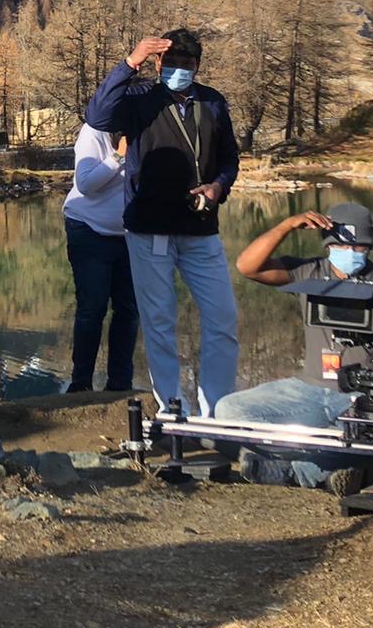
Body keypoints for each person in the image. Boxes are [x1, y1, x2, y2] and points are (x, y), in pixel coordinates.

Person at [85, 29, 240, 416]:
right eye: (171, 62)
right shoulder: (139, 98)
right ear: (157, 64)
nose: (178, 70)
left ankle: (217, 410)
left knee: (223, 317)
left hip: (201, 229)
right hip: (149, 228)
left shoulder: (212, 102)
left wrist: (219, 187)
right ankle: (173, 407)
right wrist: (129, 63)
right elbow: (97, 115)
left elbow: (229, 159)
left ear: (197, 66)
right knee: (159, 321)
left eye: (187, 64)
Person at [221, 202, 373, 494]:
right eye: (342, 246)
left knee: (372, 434)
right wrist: (287, 225)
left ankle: (297, 470)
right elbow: (247, 266)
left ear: (369, 247)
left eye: (359, 247)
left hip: (357, 398)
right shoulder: (309, 272)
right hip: (307, 391)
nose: (350, 253)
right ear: (328, 246)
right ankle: (322, 464)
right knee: (229, 409)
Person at [62, 121, 138, 392]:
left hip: (130, 235)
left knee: (129, 310)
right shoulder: (93, 131)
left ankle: (120, 385)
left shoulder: (147, 128)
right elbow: (85, 184)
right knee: (93, 308)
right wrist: (119, 155)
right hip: (89, 229)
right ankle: (81, 384)